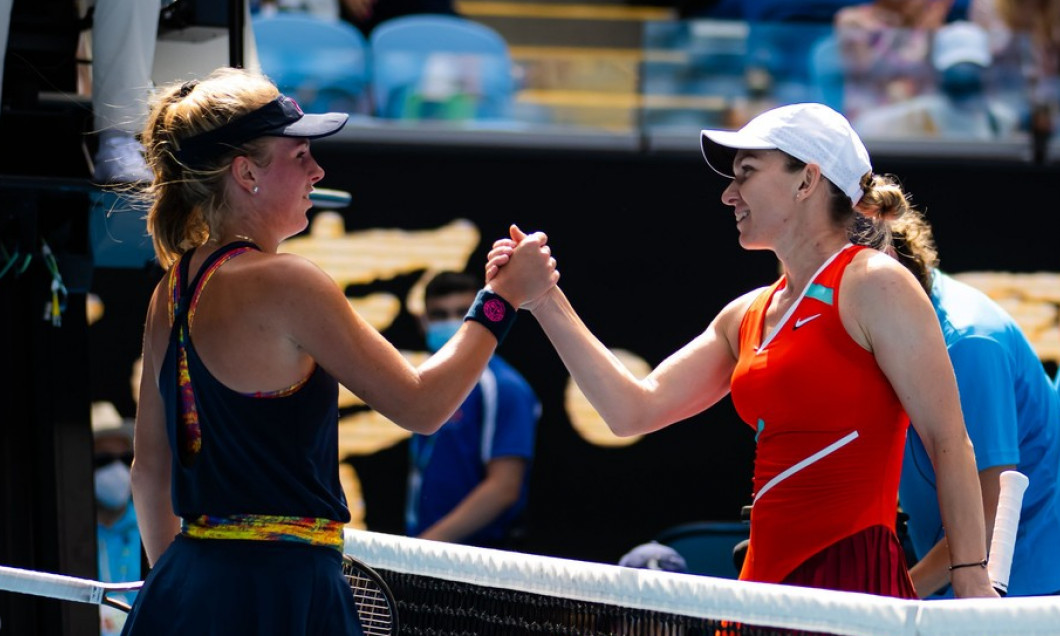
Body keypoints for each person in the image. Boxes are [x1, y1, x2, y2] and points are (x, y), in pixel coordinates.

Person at [487, 102, 997, 599]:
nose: (729, 194)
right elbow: (630, 411)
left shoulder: (874, 282)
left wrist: (971, 577)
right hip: (759, 590)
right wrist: (544, 298)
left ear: (806, 180)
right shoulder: (748, 313)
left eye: (746, 173)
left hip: (850, 580)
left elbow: (948, 439)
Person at [124, 66, 557, 634]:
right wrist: (500, 300)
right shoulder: (288, 282)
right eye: (300, 154)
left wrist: (182, 589)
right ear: (246, 172)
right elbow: (423, 406)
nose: (318, 170)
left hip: (184, 591)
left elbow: (150, 472)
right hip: (288, 594)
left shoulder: (171, 290)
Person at [881, 209, 1060, 597]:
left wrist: (894, 600)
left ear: (885, 265)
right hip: (959, 580)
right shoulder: (896, 315)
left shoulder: (969, 343)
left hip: (1024, 597)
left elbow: (987, 511)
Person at [407, 270, 540, 549]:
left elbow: (504, 488)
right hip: (426, 553)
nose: (451, 323)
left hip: (478, 560)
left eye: (462, 313)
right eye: (440, 315)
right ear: (423, 322)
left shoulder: (505, 387)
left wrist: (422, 548)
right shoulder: (424, 381)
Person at [852, 20, 1021, 139]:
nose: (965, 76)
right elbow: (865, 126)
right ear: (939, 71)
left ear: (986, 69)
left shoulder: (1003, 120)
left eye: (971, 67)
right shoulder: (920, 112)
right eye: (955, 69)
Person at [92, 401, 141, 636]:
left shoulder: (150, 529)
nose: (117, 470)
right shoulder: (65, 537)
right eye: (103, 460)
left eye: (125, 459)